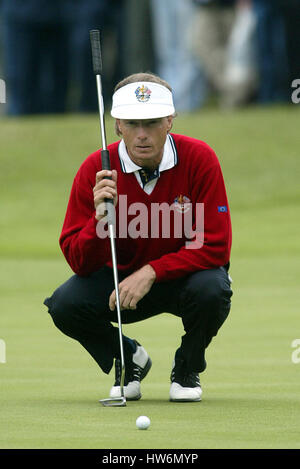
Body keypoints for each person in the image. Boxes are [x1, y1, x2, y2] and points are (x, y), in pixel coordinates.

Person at [44, 72, 233, 402]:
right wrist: (99, 221)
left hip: (182, 281)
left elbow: (215, 246)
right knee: (64, 305)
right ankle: (128, 358)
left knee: (213, 289)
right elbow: (77, 260)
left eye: (153, 122)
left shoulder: (199, 159)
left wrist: (152, 272)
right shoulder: (95, 169)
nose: (142, 135)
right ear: (117, 124)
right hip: (118, 284)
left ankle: (187, 368)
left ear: (170, 120)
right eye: (132, 123)